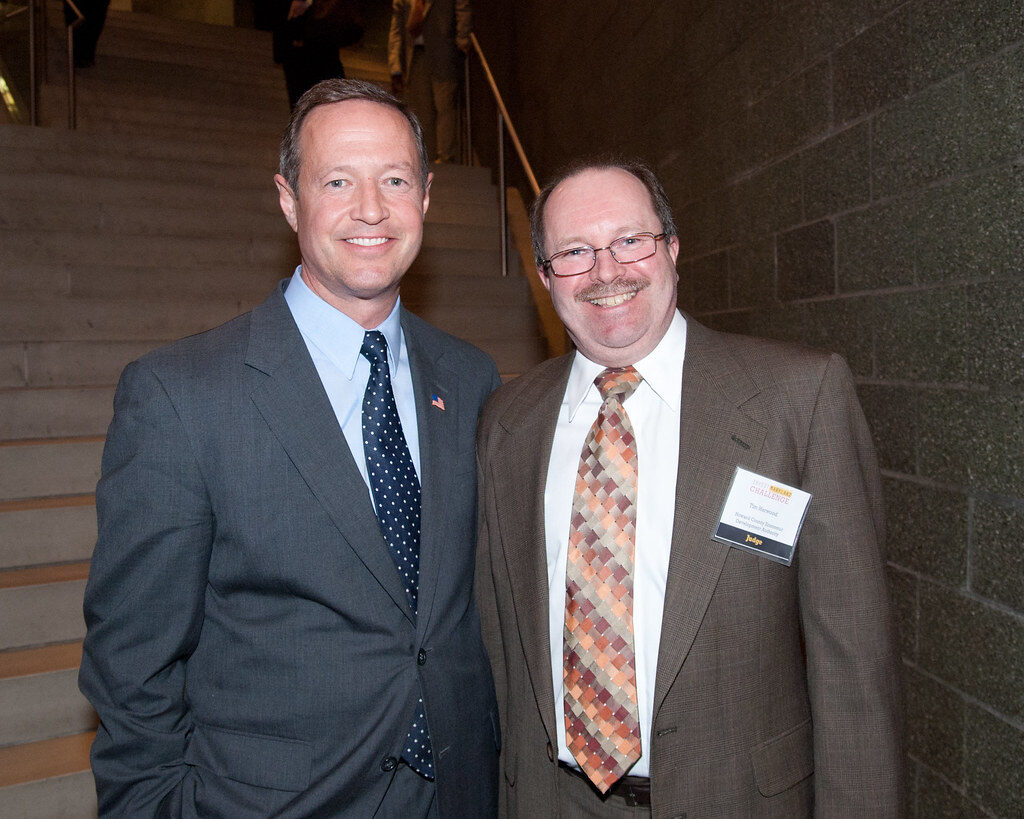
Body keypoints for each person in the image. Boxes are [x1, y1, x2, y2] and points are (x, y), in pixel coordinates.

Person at [79, 79, 501, 817]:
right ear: (287, 198)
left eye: (394, 180)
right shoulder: (182, 395)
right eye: (337, 180)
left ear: (426, 197)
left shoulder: (471, 378)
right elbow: (132, 668)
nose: (371, 208)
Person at [474, 159, 904, 816]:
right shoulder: (507, 420)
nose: (606, 270)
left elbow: (855, 668)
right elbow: (500, 646)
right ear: (545, 278)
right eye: (574, 252)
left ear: (672, 249)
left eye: (629, 241)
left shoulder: (796, 399)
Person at [388, 0, 470, 164]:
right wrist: (395, 65)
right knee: (421, 109)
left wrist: (463, 38)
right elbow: (396, 28)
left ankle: (446, 157)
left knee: (445, 106)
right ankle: (425, 157)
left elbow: (463, 9)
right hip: (415, 55)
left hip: (444, 55)